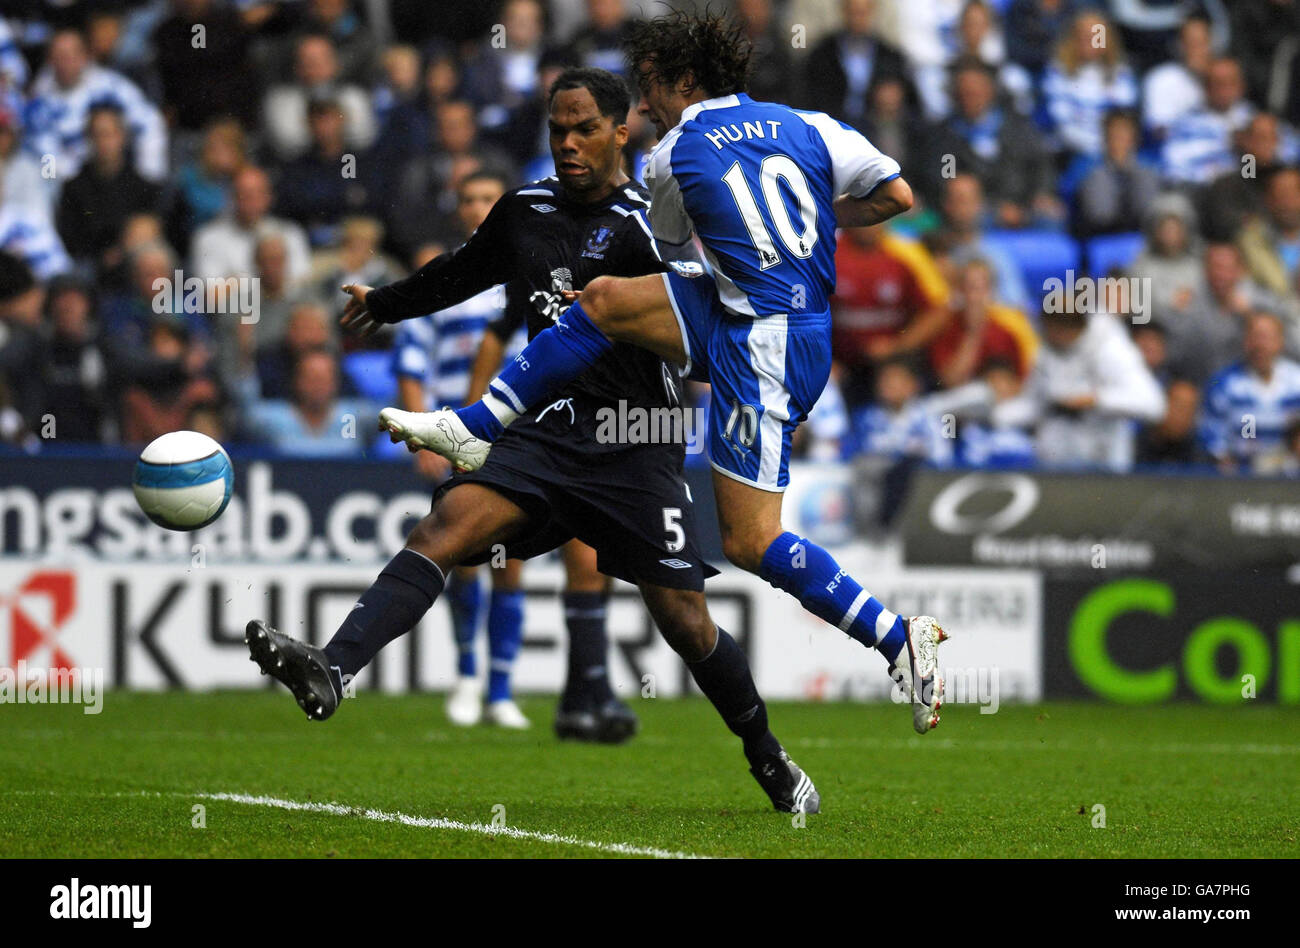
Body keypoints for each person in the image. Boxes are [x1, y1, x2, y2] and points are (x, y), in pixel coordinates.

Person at [248, 67, 820, 814]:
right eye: (558, 129)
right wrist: (386, 303)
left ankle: (768, 758)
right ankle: (333, 665)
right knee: (446, 525)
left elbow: (712, 323)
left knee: (683, 618)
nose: (569, 143)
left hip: (634, 438)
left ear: (623, 132)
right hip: (547, 429)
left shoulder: (660, 223)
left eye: (585, 128)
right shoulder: (524, 210)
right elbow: (462, 272)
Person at [371, 11, 950, 735]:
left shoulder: (672, 153)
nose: (643, 108)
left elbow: (676, 251)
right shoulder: (812, 125)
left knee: (749, 541)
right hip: (779, 318)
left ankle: (899, 638)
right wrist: (810, 224)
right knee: (606, 300)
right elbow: (897, 196)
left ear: (683, 81)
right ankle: (477, 426)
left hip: (762, 345)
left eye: (649, 91)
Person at [390, 169, 637, 741]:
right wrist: (469, 426)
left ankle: (562, 692)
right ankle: (471, 677)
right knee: (481, 552)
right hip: (502, 427)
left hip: (572, 429)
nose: (479, 207)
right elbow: (476, 348)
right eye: (469, 198)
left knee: (582, 561)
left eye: (487, 198)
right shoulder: (457, 285)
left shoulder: (540, 265)